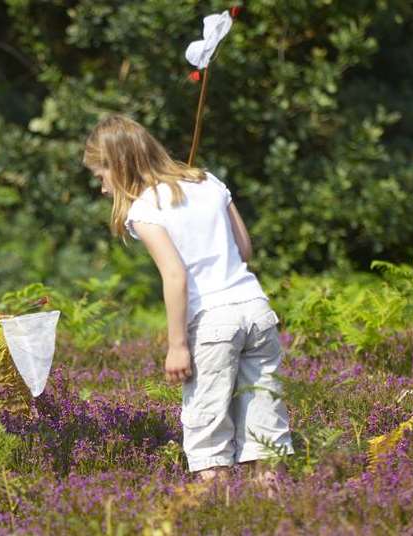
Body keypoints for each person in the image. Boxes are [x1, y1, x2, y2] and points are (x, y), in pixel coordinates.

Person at [83, 114, 293, 484]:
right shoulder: (208, 181)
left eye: (102, 177)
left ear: (118, 165)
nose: (102, 189)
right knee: (265, 430)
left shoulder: (144, 209)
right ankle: (271, 511)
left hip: (213, 323)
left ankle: (213, 513)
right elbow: (244, 249)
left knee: (207, 433)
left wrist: (177, 345)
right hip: (256, 310)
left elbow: (175, 276)